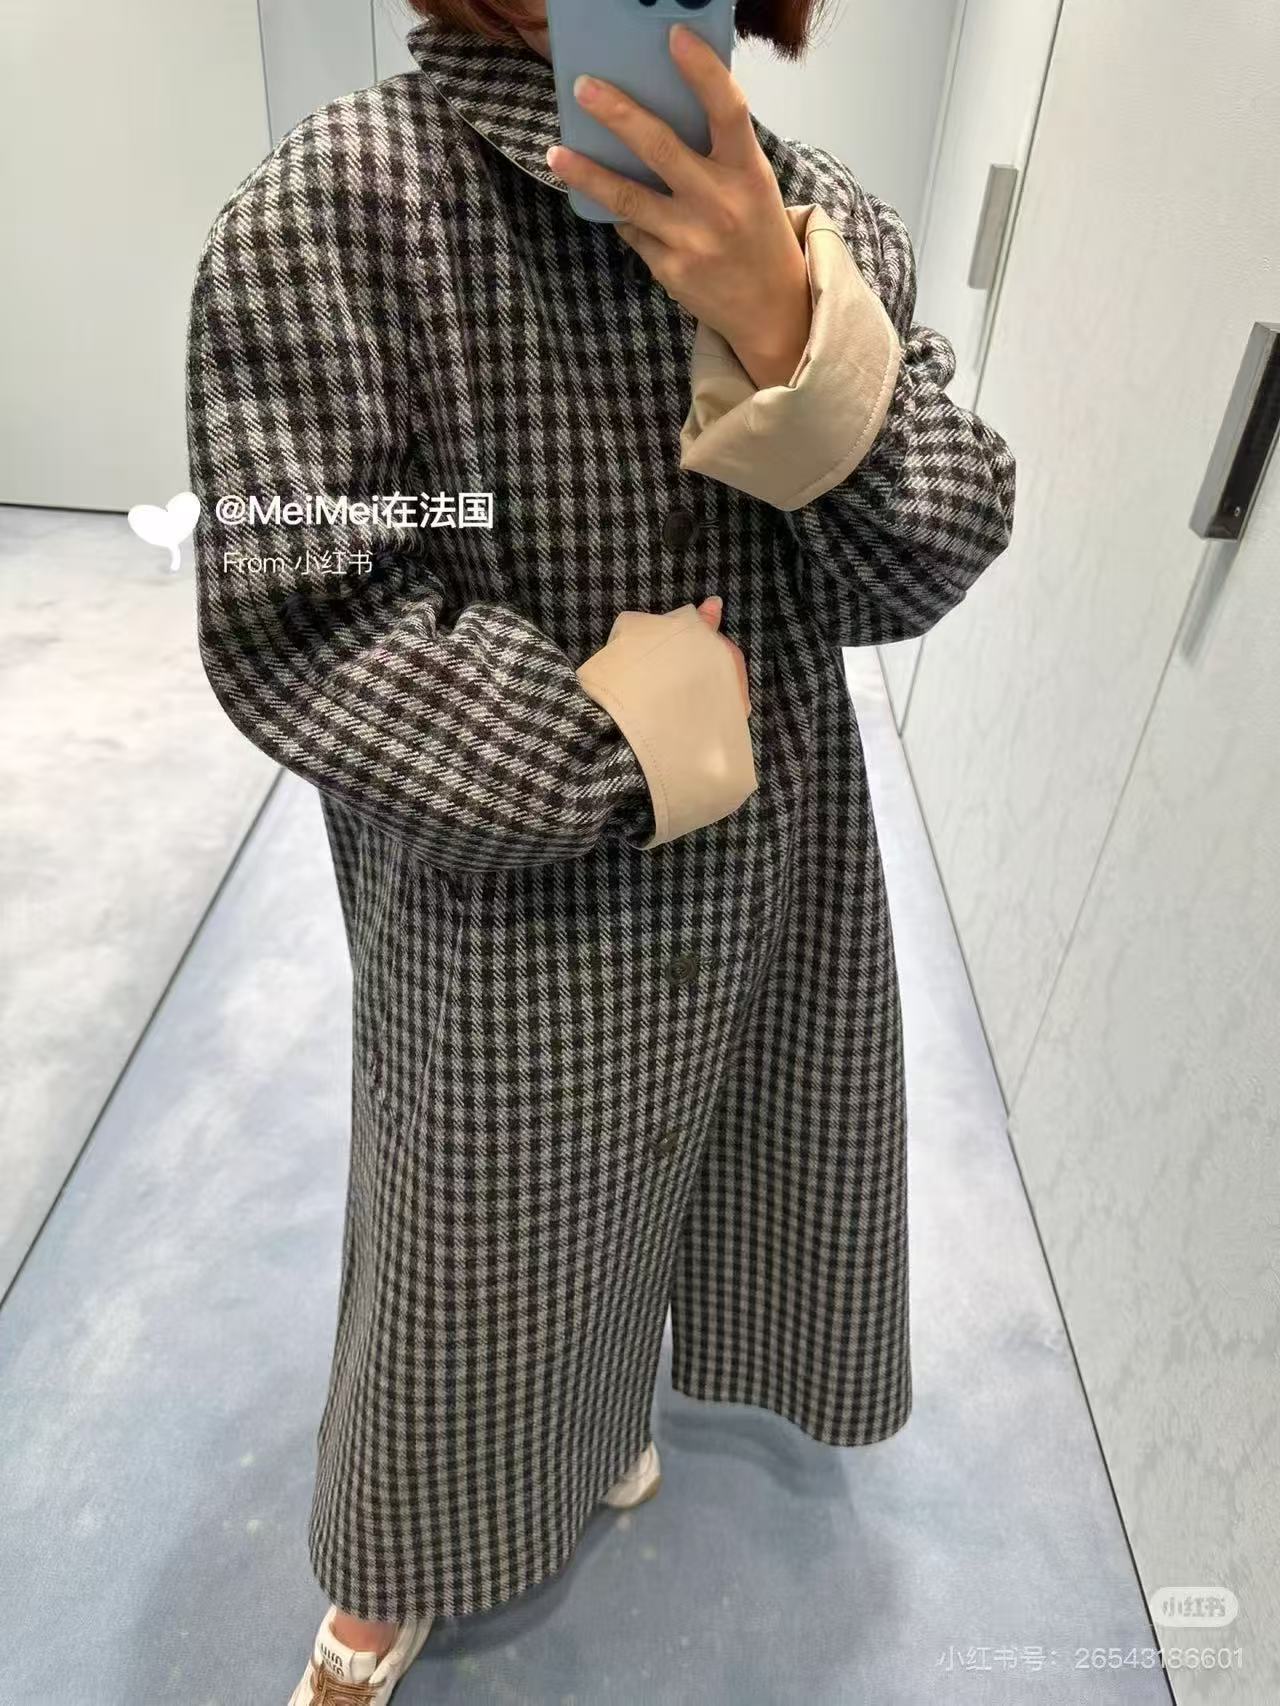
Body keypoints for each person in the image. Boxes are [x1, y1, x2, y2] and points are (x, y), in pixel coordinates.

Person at [184, 1, 1016, 1699]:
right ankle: (393, 1562)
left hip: (776, 893)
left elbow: (926, 557)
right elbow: (303, 605)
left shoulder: (823, 223)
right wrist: (623, 732)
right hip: (506, 927)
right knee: (472, 1260)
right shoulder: (342, 214)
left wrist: (789, 327)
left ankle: (610, 1407)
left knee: (697, 1178)